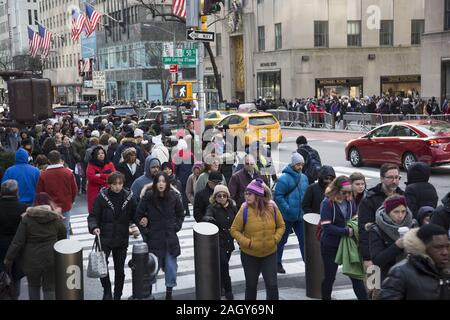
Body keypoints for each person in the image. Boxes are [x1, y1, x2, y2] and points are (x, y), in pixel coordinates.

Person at [3, 194, 66, 300]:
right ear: (49, 203)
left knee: (33, 286)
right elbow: (63, 237)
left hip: (31, 259)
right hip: (51, 258)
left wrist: (8, 259)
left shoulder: (27, 218)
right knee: (50, 287)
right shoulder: (56, 218)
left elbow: (18, 241)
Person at [230, 178, 285, 300]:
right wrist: (247, 243)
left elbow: (281, 225)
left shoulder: (272, 207)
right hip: (249, 255)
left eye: (250, 193)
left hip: (270, 253)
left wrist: (275, 239)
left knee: (272, 285)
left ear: (258, 195)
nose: (246, 196)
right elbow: (234, 229)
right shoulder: (244, 209)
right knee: (251, 285)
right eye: (246, 193)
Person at [88, 172, 137, 300]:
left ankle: (118, 295)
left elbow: (136, 215)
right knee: (102, 267)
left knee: (120, 269)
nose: (117, 187)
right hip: (104, 237)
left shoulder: (129, 197)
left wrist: (140, 222)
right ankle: (107, 290)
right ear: (109, 184)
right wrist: (94, 227)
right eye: (114, 184)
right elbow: (93, 216)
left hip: (121, 238)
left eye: (120, 184)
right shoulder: (102, 197)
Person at [136, 172, 184, 300]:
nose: (161, 184)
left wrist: (176, 227)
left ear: (167, 183)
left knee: (170, 267)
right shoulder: (148, 197)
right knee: (152, 268)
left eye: (164, 181)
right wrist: (145, 228)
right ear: (155, 183)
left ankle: (169, 294)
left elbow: (180, 214)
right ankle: (148, 294)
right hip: (154, 238)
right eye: (159, 181)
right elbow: (138, 215)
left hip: (170, 238)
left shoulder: (173, 196)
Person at [319, 176, 367, 300]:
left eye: (349, 192)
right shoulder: (327, 203)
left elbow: (355, 217)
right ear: (336, 190)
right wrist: (346, 231)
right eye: (344, 192)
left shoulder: (350, 201)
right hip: (331, 245)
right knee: (330, 277)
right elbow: (326, 227)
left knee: (356, 276)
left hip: (348, 244)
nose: (347, 195)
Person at [379, 224, 450, 300]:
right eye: (438, 247)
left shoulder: (446, 271)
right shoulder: (401, 273)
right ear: (423, 248)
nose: (445, 252)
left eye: (447, 246)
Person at [358, 163, 405, 272]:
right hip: (375, 254)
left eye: (397, 177)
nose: (394, 181)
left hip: (399, 255)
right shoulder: (370, 199)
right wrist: (367, 258)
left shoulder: (403, 196)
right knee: (374, 287)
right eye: (390, 177)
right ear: (382, 178)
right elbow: (364, 230)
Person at [369, 195, 417, 284]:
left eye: (403, 211)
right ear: (388, 212)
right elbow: (377, 260)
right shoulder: (377, 229)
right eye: (396, 212)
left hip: (412, 278)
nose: (400, 215)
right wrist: (396, 246)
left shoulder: (413, 224)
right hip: (388, 279)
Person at [274, 152, 309, 274]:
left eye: (302, 164)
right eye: (298, 164)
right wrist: (287, 208)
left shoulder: (304, 178)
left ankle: (309, 264)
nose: (300, 167)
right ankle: (277, 263)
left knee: (304, 241)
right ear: (293, 164)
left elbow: (306, 195)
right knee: (282, 240)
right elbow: (278, 196)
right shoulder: (284, 178)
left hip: (300, 216)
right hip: (287, 216)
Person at [203, 185, 238, 300]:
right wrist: (208, 219)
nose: (222, 198)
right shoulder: (212, 208)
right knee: (224, 264)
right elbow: (207, 215)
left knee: (222, 266)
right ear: (215, 197)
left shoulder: (232, 207)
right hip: (218, 241)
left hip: (229, 241)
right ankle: (228, 290)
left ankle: (221, 285)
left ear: (227, 196)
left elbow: (238, 220)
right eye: (219, 196)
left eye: (224, 195)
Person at [36, 151, 78, 238]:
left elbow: (40, 193)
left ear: (48, 160)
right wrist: (71, 201)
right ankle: (65, 250)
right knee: (65, 229)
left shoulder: (43, 175)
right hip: (65, 205)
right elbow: (74, 190)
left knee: (51, 231)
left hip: (50, 207)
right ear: (60, 159)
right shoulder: (68, 173)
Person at [0, 180, 28, 299]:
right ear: (16, 192)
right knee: (15, 275)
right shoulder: (23, 208)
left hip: (0, 245)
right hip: (17, 247)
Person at [86, 146, 116, 214]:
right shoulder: (91, 164)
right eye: (98, 154)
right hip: (94, 190)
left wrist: (101, 175)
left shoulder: (109, 163)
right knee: (94, 210)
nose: (101, 155)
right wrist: (106, 180)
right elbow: (91, 177)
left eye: (102, 153)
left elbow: (114, 175)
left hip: (108, 190)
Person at [173, 139, 194, 217]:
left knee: (184, 194)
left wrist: (177, 176)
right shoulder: (191, 154)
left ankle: (187, 211)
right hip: (191, 176)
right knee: (192, 193)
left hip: (182, 178)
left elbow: (176, 168)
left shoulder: (178, 155)